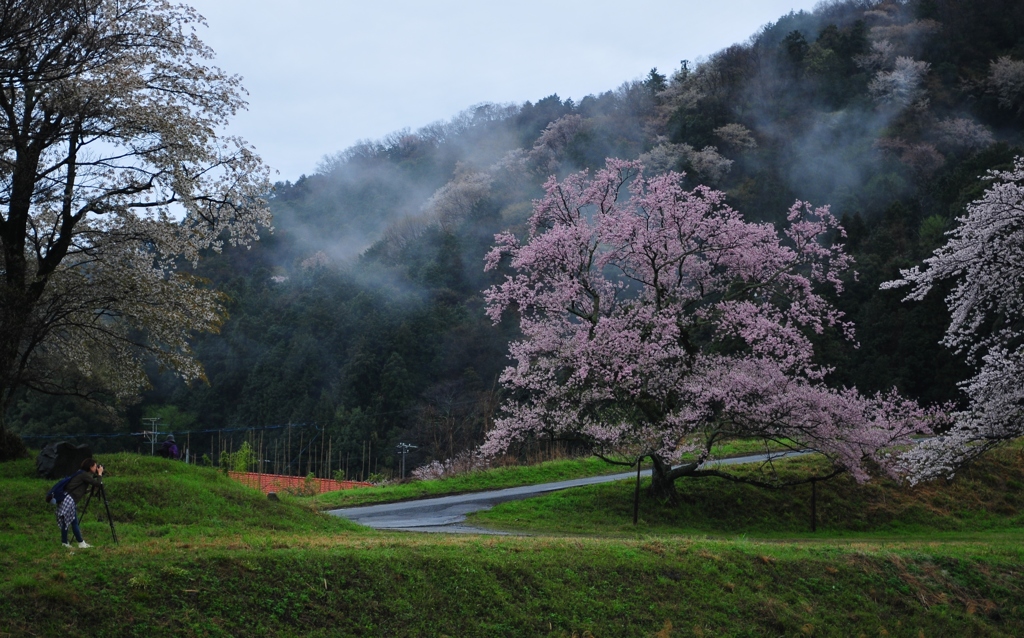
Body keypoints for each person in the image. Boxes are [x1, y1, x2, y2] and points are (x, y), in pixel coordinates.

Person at [57, 458, 104, 549]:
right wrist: (100, 474)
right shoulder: (84, 475)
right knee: (69, 522)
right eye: (95, 466)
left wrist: (91, 490)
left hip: (67, 499)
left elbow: (80, 489)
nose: (96, 468)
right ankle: (72, 543)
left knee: (71, 522)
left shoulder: (81, 473)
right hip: (69, 500)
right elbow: (98, 484)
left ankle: (74, 542)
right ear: (90, 467)